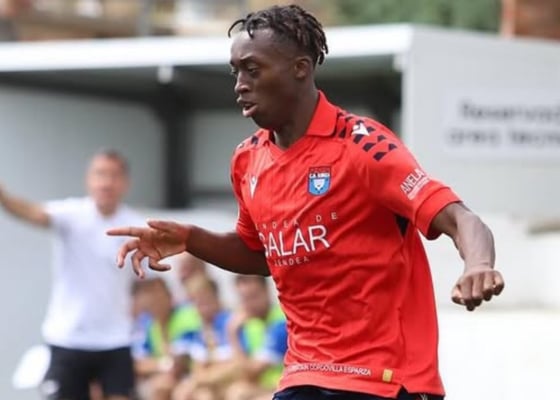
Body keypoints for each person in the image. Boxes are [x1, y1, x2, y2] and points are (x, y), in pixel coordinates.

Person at [107, 4, 505, 400]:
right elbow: (261, 254)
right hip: (303, 372)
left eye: (253, 69)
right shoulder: (247, 161)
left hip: (382, 379)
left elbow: (460, 218)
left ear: (300, 68)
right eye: (236, 72)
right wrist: (191, 239)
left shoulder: (364, 148)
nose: (240, 84)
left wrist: (479, 265)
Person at [1, 149, 142, 400]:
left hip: (115, 340)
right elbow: (31, 212)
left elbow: (147, 284)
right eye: (100, 174)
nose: (106, 182)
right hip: (68, 338)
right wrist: (3, 195)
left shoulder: (136, 225)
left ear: (125, 183)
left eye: (114, 175)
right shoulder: (72, 214)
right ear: (89, 179)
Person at [132, 278, 199, 400]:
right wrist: (164, 364)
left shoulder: (185, 316)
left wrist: (159, 364)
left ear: (169, 296)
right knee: (158, 386)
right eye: (151, 297)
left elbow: (179, 365)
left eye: (158, 296)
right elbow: (138, 364)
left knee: (171, 390)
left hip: (193, 374)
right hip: (167, 377)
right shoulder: (148, 324)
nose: (155, 301)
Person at [224, 275, 287, 400]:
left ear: (266, 291)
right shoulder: (251, 326)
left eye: (254, 297)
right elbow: (241, 372)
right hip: (265, 387)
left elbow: (250, 372)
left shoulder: (280, 322)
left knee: (238, 394)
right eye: (244, 299)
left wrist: (232, 333)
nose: (249, 304)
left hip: (285, 389)